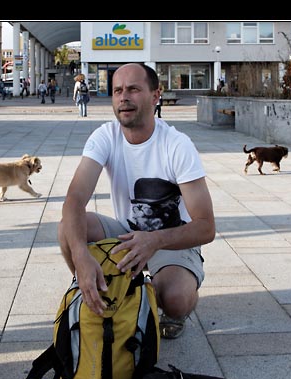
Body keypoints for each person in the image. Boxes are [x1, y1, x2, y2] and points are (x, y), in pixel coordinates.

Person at [58, 63, 215, 339]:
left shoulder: (177, 145)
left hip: (172, 241)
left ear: (156, 96)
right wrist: (81, 258)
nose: (123, 97)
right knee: (68, 228)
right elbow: (74, 200)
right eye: (117, 90)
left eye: (133, 89)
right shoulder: (105, 136)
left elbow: (205, 227)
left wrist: (154, 240)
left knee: (176, 300)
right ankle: (102, 290)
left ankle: (172, 295)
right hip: (127, 235)